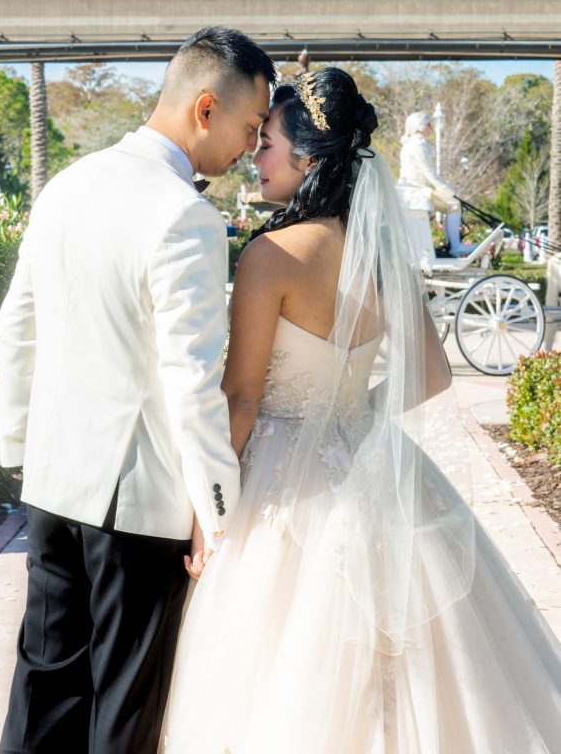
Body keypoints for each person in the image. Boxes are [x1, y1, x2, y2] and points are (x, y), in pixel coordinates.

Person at [161, 68, 561, 753]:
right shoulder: (377, 254)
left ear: (309, 158)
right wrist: (350, 414)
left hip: (284, 481)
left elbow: (243, 397)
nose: (255, 156)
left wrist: (208, 509)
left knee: (273, 671)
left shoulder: (270, 256)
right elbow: (430, 376)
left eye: (268, 144)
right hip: (368, 462)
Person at [0, 26, 275, 754]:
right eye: (249, 126)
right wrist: (220, 515)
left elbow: (18, 323)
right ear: (205, 109)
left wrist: (24, 447)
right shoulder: (186, 215)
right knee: (126, 707)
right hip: (136, 505)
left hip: (54, 481)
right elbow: (191, 382)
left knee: (44, 688)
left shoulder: (67, 184)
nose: (251, 145)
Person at [397, 111, 475, 257]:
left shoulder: (413, 143)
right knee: (453, 205)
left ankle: (452, 245)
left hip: (414, 189)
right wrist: (447, 190)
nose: (431, 127)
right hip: (416, 190)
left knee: (451, 205)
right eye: (428, 124)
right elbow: (428, 172)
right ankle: (455, 247)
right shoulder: (417, 144)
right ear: (419, 127)